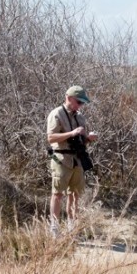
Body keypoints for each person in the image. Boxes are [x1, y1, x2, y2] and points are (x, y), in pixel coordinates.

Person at [46, 85, 98, 236]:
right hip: (61, 159)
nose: (80, 105)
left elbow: (80, 141)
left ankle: (72, 227)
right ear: (68, 98)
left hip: (78, 160)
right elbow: (50, 137)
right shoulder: (56, 114)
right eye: (79, 101)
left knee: (75, 194)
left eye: (82, 103)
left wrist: (88, 138)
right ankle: (54, 230)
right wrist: (71, 133)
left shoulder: (80, 117)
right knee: (57, 194)